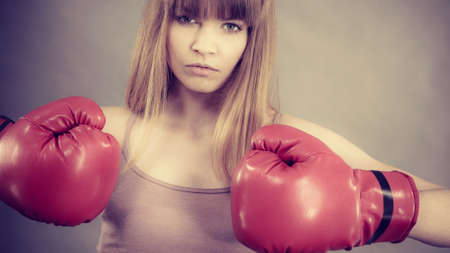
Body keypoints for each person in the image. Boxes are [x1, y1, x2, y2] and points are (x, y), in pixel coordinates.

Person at [0, 0, 449, 252]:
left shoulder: (290, 146)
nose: (203, 45)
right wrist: (9, 148)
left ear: (251, 40)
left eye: (230, 25)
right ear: (161, 25)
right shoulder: (110, 130)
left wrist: (370, 205)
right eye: (187, 18)